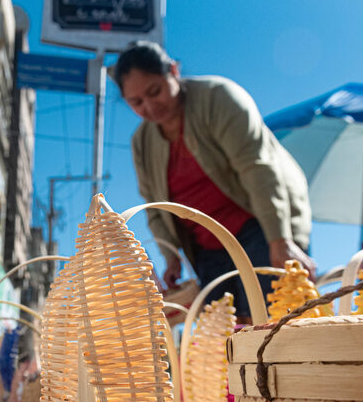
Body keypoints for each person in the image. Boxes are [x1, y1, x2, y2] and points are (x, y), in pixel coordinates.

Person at [115, 41, 314, 321]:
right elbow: (156, 207)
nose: (149, 106)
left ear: (173, 71)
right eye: (136, 102)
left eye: (154, 91)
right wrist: (170, 257)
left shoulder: (219, 98)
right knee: (225, 337)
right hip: (206, 247)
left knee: (275, 320)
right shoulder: (142, 142)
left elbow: (257, 168)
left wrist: (280, 240)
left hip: (261, 226)